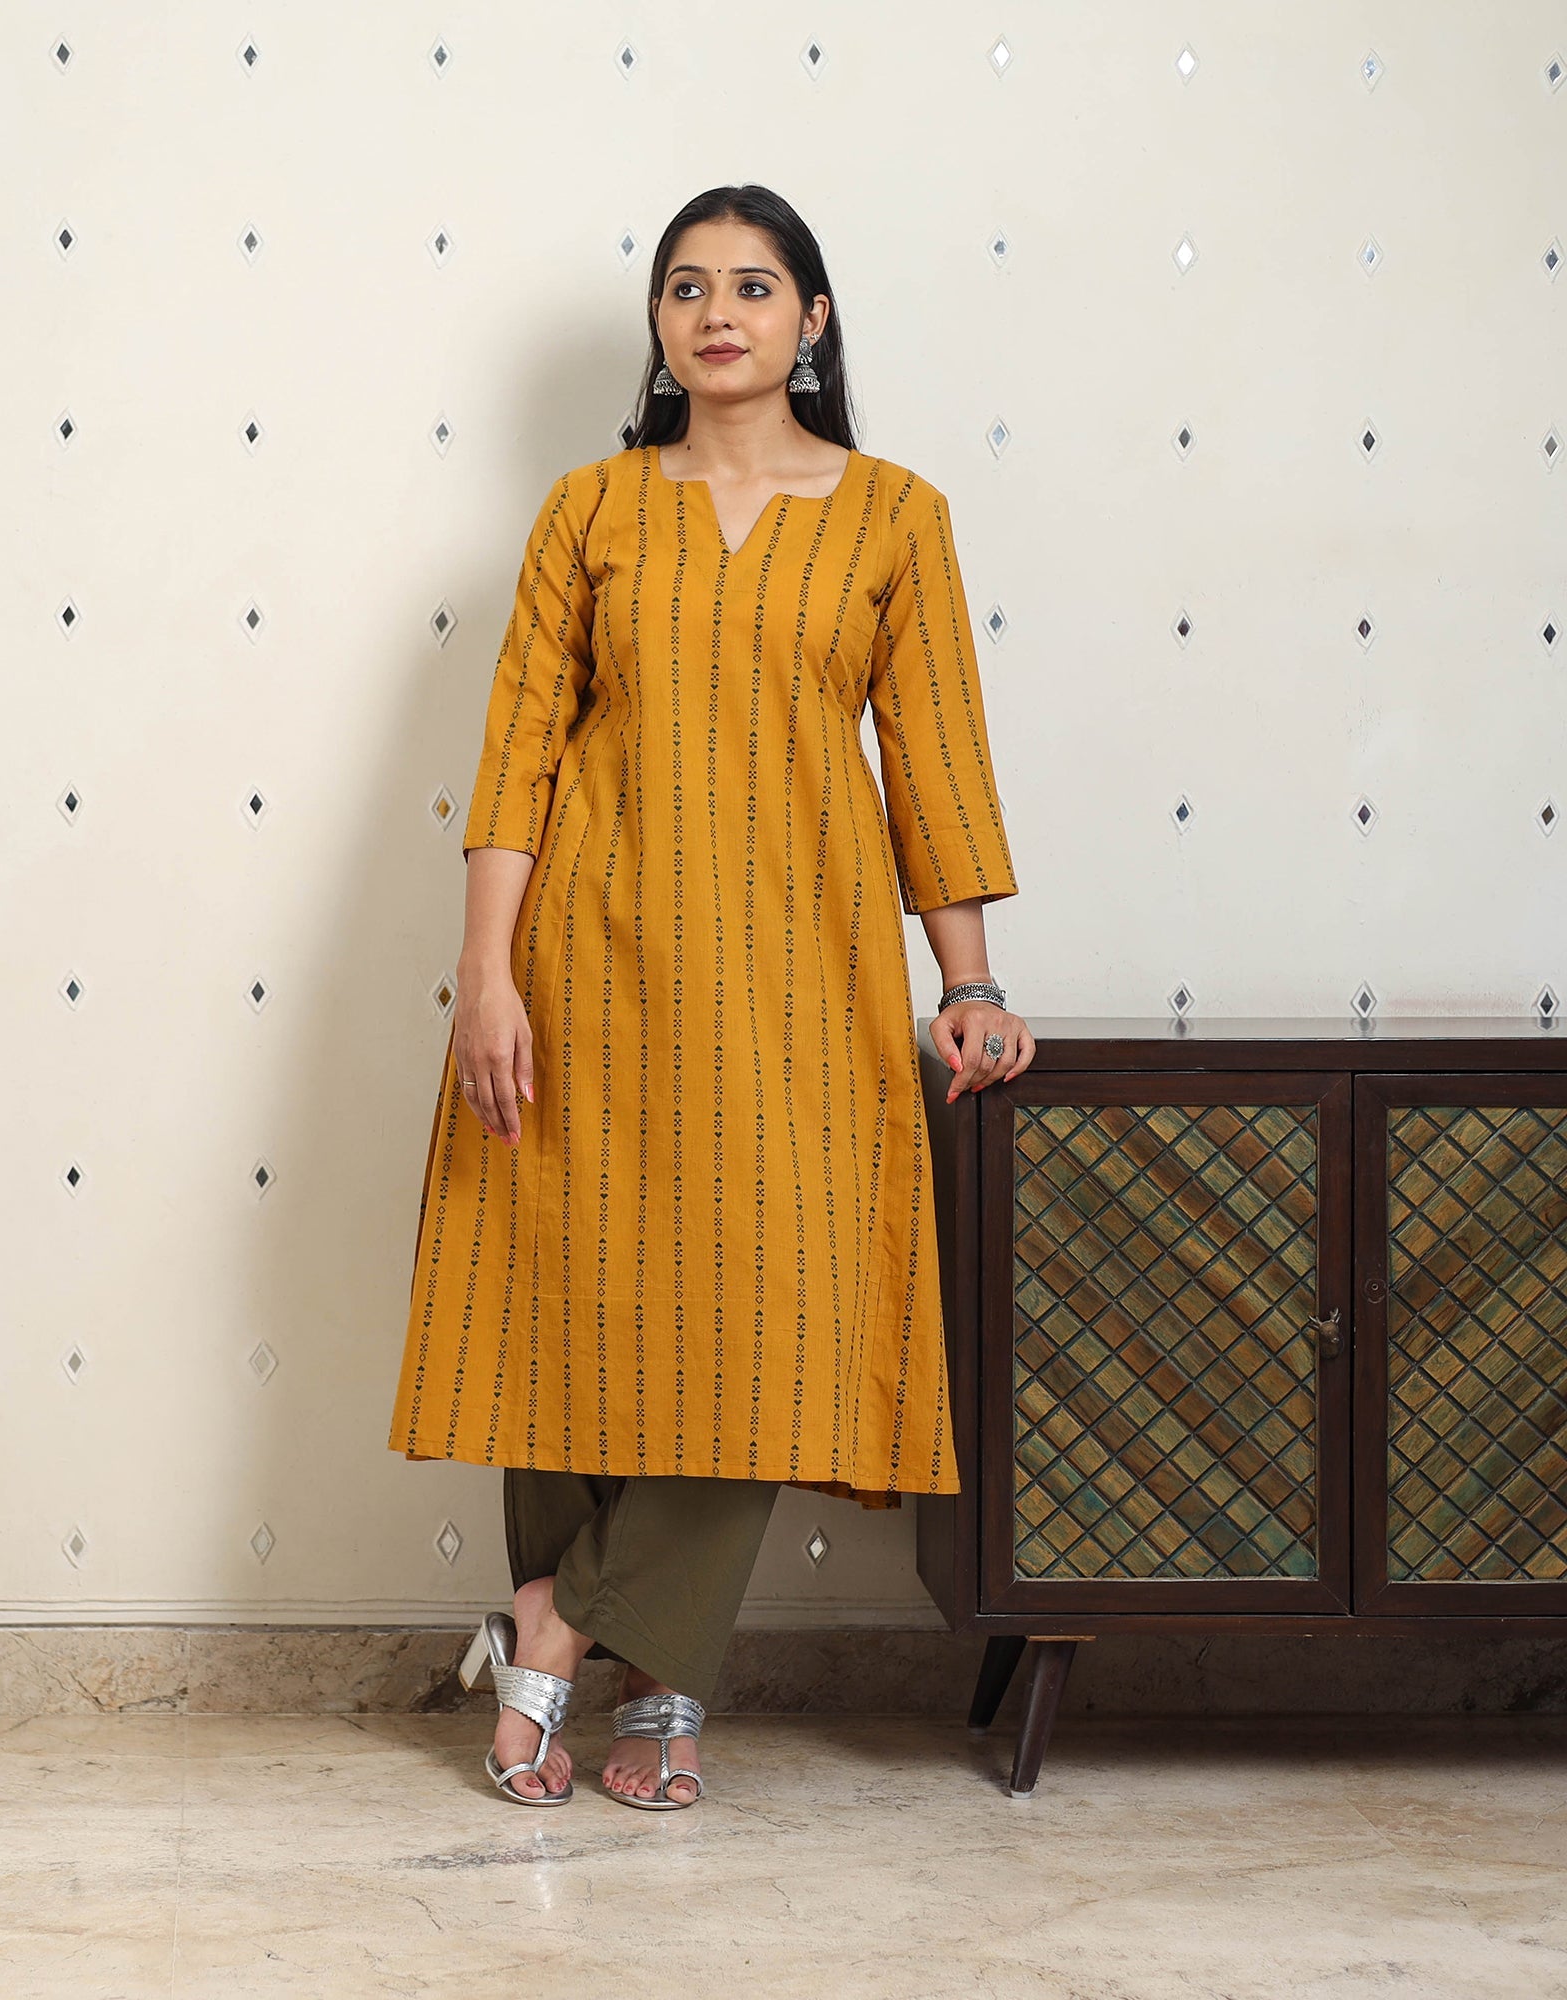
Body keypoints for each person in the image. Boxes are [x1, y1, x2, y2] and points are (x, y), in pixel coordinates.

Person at [388, 183, 1035, 1809]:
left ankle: (558, 1631)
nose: (717, 312)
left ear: (813, 320)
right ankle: (658, 1688)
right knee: (565, 1302)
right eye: (687, 287)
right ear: (659, 326)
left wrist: (968, 981)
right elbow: (518, 753)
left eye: (753, 285)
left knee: (766, 1316)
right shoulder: (591, 510)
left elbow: (936, 763)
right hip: (587, 963)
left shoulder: (893, 517)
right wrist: (485, 974)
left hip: (803, 977)